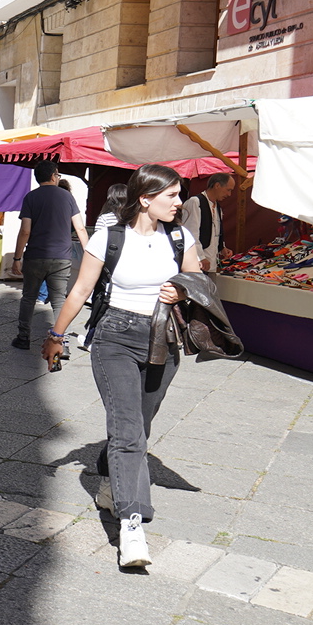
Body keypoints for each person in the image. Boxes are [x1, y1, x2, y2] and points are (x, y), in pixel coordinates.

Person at [41, 164, 203, 568]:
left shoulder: (181, 237)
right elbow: (81, 289)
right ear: (145, 198)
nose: (179, 202)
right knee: (128, 430)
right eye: (171, 195)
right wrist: (57, 334)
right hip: (115, 337)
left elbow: (200, 280)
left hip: (163, 339)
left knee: (139, 426)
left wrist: (181, 289)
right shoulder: (109, 237)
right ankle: (132, 525)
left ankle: (112, 483)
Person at [10, 161, 90, 350]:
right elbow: (80, 228)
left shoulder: (30, 197)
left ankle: (23, 338)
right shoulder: (67, 197)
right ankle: (62, 341)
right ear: (54, 175)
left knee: (29, 298)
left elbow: (25, 231)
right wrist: (89, 256)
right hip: (62, 257)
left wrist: (17, 258)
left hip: (35, 256)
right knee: (59, 300)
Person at [182, 172, 236, 273]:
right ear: (217, 185)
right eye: (228, 190)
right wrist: (200, 257)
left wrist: (222, 248)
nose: (229, 194)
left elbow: (215, 233)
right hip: (197, 265)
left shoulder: (217, 207)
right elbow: (190, 234)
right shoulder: (196, 202)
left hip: (210, 264)